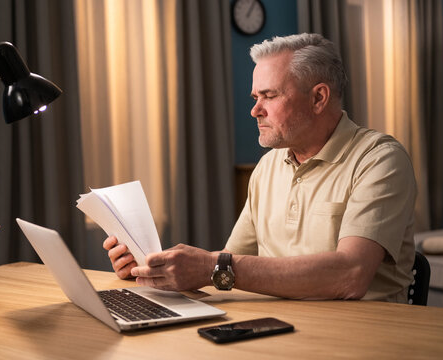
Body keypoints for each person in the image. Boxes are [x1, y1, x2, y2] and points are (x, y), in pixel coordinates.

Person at [103, 33, 416, 303]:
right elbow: (224, 272)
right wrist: (155, 272)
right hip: (279, 332)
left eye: (269, 96)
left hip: (364, 340)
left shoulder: (379, 160)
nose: (255, 110)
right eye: (255, 97)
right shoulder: (267, 168)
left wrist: (211, 267)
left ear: (318, 98)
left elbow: (351, 274)